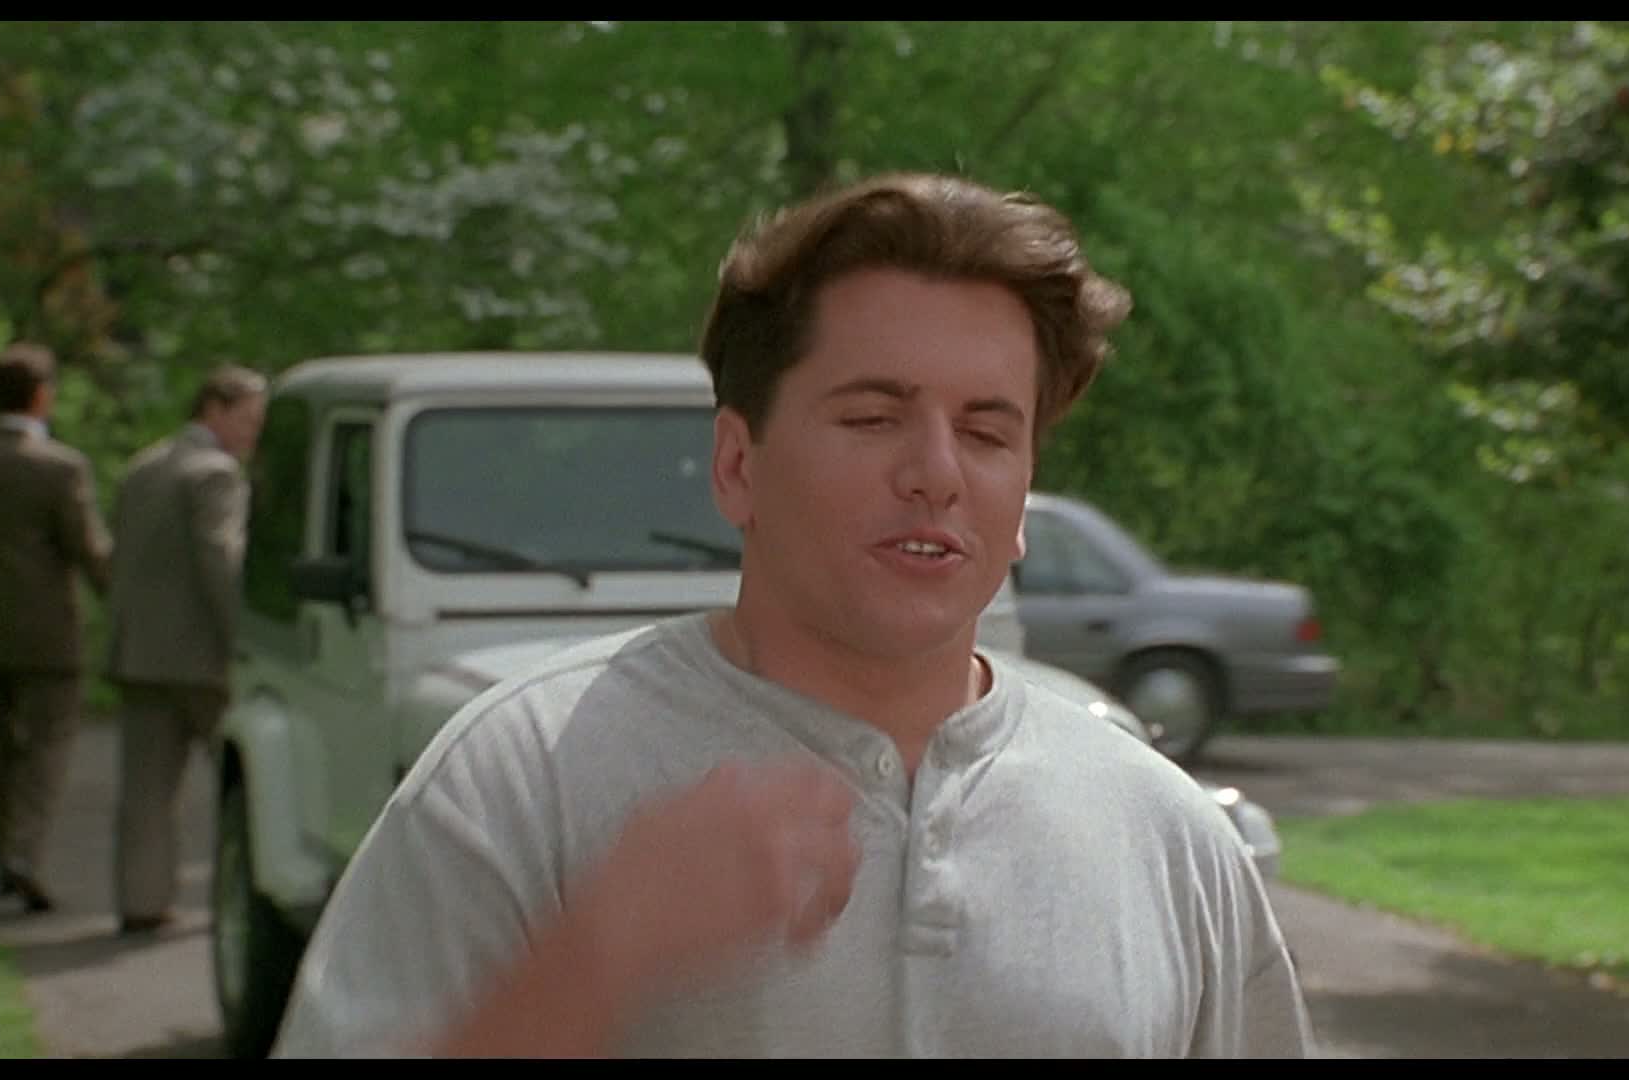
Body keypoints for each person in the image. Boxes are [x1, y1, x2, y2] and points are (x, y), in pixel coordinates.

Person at [272, 172, 1314, 1058]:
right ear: (737, 465)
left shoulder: (1164, 835)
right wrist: (595, 959)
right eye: (873, 417)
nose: (936, 472)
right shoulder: (522, 779)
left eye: (987, 433)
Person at [105, 363, 267, 934]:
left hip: (141, 653)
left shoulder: (143, 467)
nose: (254, 432)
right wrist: (246, 641)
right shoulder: (215, 474)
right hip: (204, 659)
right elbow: (222, 563)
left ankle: (142, 902)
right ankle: (253, 899)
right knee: (252, 786)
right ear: (214, 408)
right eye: (248, 419)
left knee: (145, 791)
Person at [0, 342, 113, 912]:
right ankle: (22, 853)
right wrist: (121, 599)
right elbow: (88, 549)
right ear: (41, 395)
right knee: (47, 748)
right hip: (47, 636)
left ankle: (3, 855)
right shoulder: (59, 467)